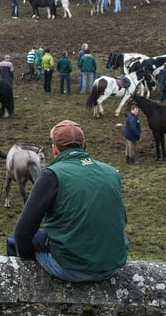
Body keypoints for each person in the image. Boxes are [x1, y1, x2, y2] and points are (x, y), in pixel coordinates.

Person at [8, 119, 129, 282]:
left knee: (13, 241)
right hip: (112, 265)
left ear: (55, 149)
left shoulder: (51, 175)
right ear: (84, 146)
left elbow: (23, 231)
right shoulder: (111, 172)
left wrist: (28, 259)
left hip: (71, 267)